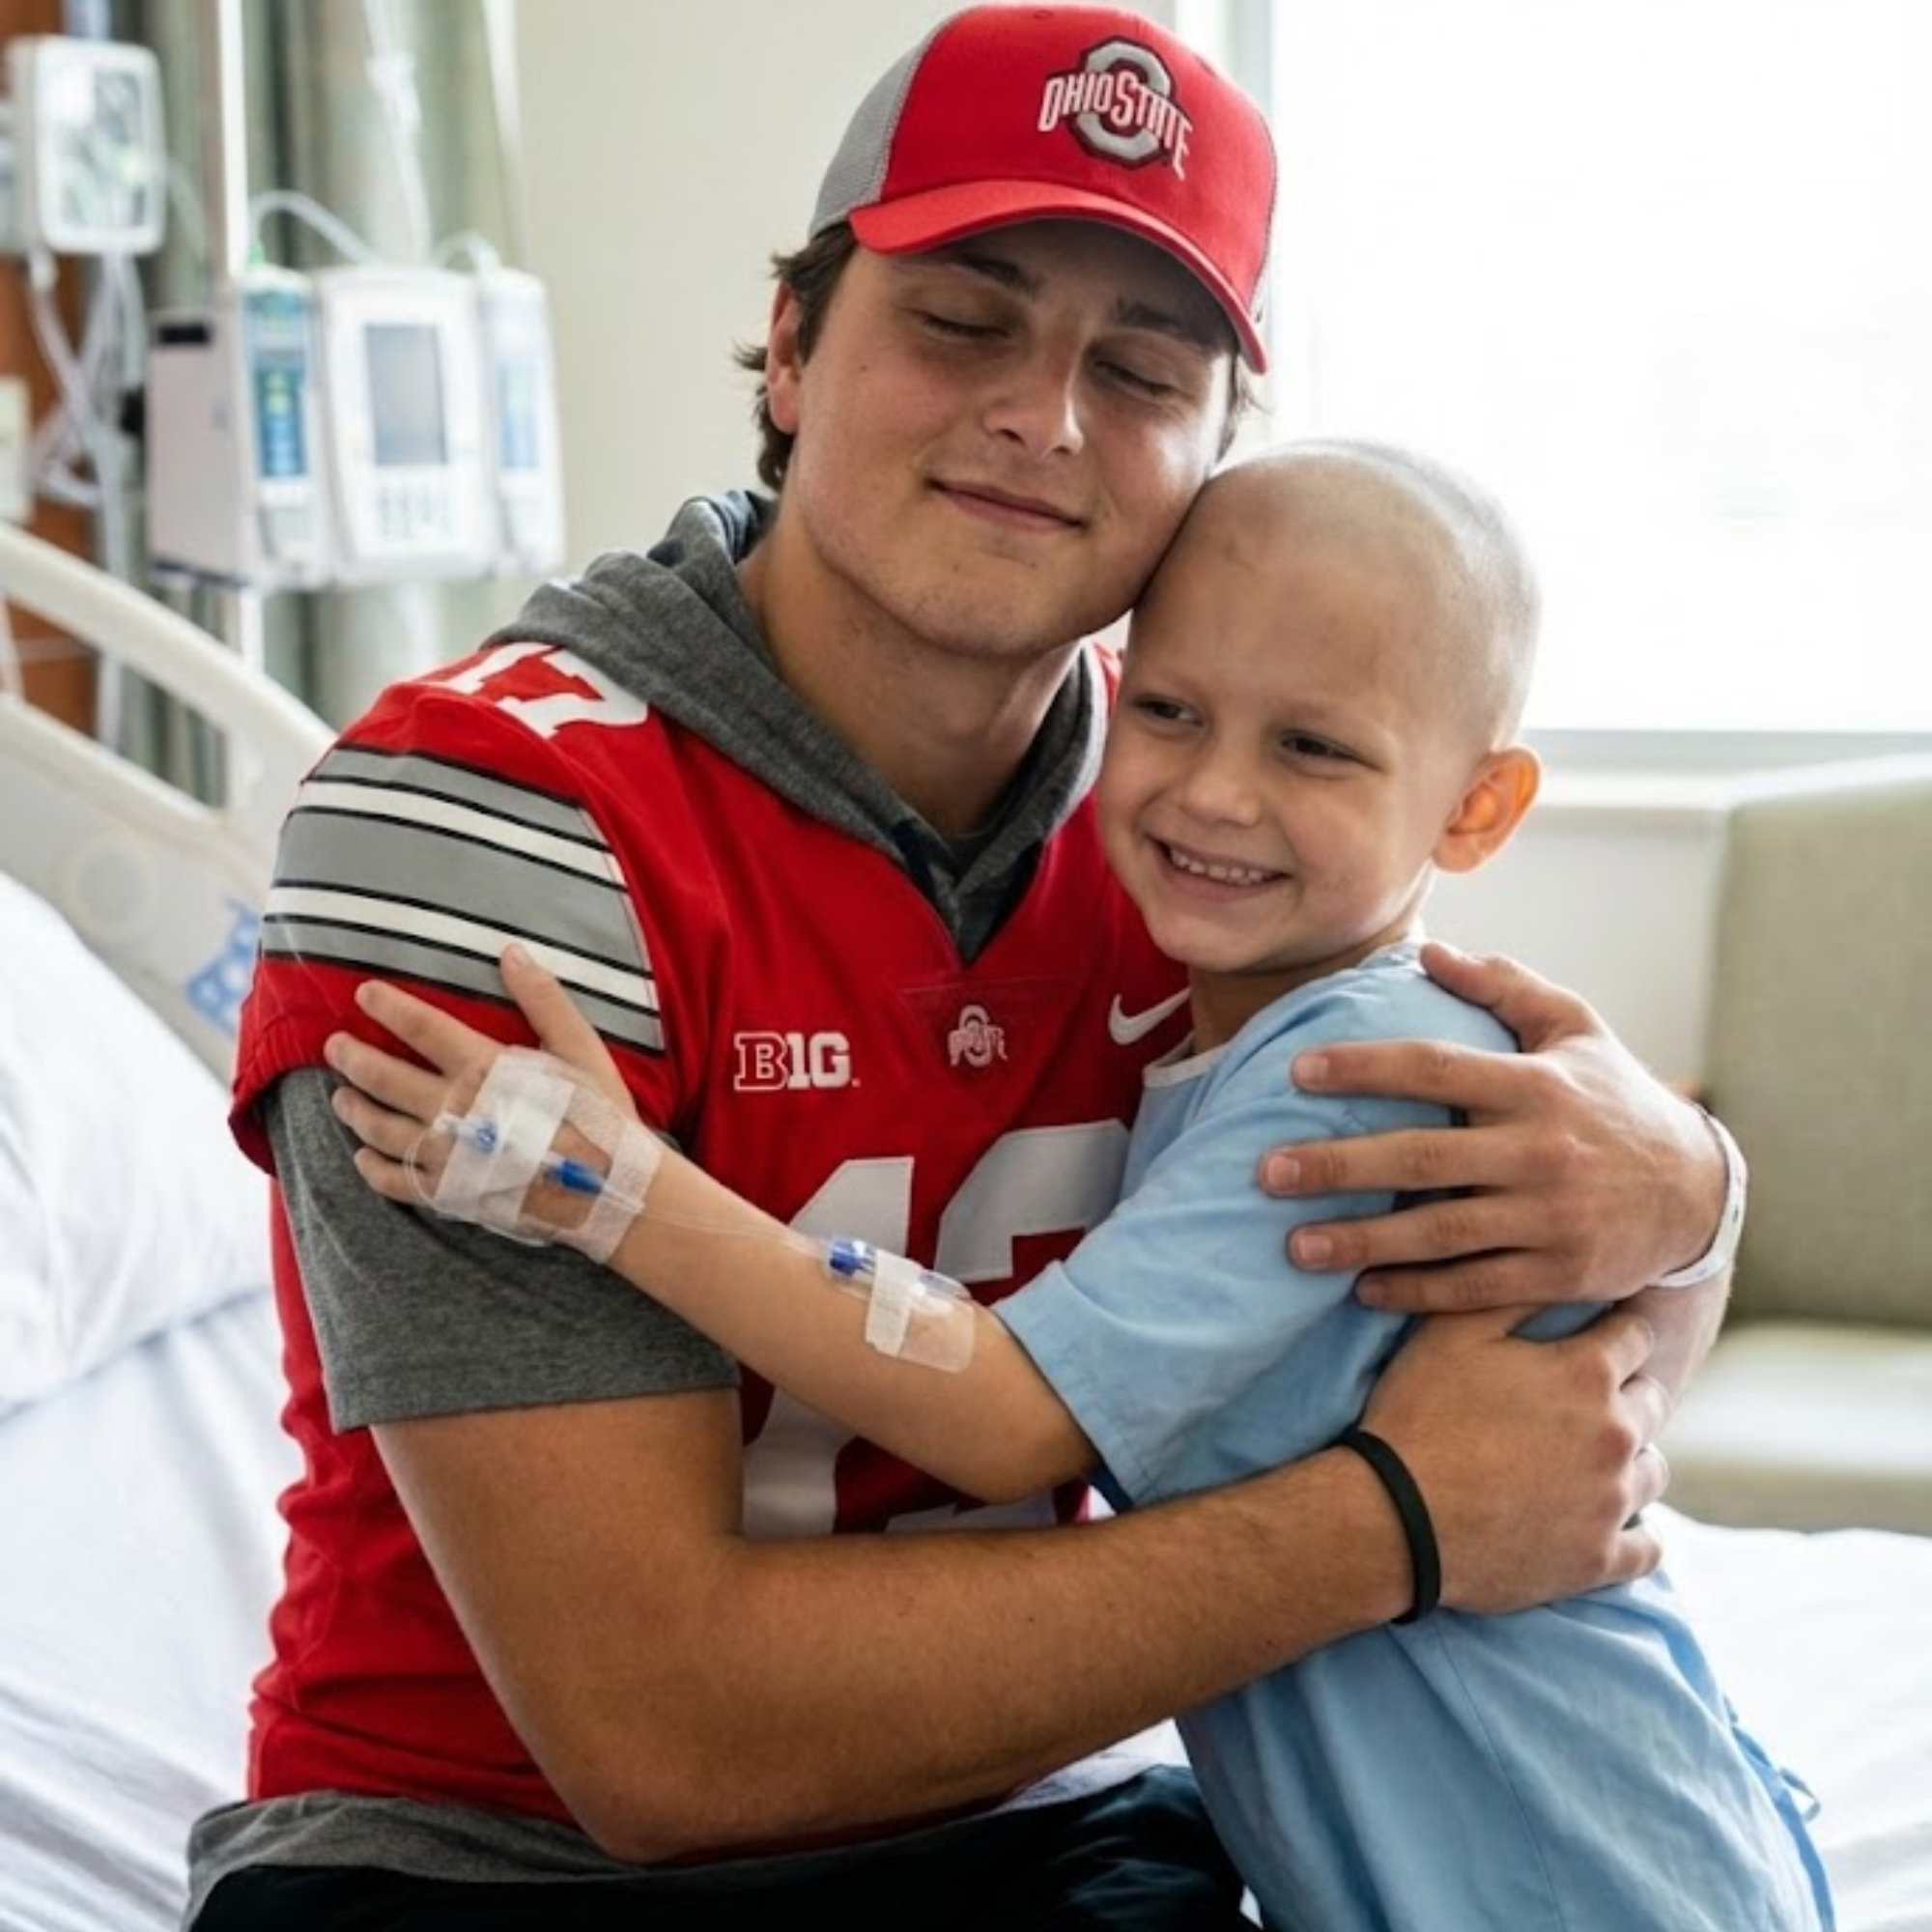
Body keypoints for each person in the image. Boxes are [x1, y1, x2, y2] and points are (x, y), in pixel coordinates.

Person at [191, 9, 1740, 1927]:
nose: (1047, 417)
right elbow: (664, 1743)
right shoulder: (495, 818)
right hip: (492, 1864)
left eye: (1141, 371)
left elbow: (1557, 1373)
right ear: (789, 344)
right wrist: (1393, 1527)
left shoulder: (1201, 828)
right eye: (960, 321)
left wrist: (1688, 1196)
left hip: (1037, 1822)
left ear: (1213, 458)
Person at [330, 440, 1828, 1932]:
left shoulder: (1351, 1084)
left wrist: (614, 1191)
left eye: (1313, 748)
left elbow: (999, 1415)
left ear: (1476, 810)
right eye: (1170, 711)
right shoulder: (1240, 1013)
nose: (1216, 793)